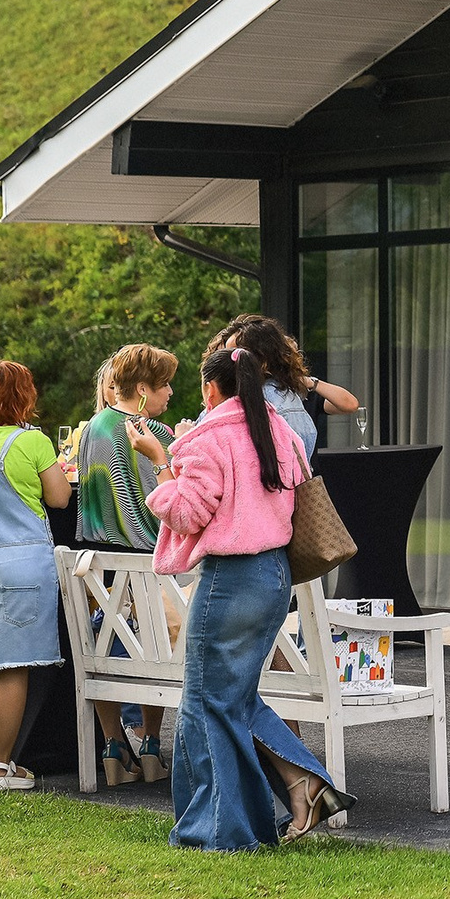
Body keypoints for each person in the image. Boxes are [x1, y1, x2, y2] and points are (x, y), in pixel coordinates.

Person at [134, 346, 349, 847]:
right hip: (275, 577)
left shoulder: (206, 440)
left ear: (211, 389)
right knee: (231, 700)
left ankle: (219, 830)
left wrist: (161, 462)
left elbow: (186, 514)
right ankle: (301, 788)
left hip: (230, 581)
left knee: (205, 704)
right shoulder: (279, 430)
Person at [0, 357, 69, 792]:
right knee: (14, 668)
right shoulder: (31, 443)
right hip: (22, 563)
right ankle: (1, 767)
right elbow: (59, 497)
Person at [73, 342, 179, 785]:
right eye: (165, 384)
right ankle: (151, 745)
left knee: (103, 652)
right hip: (148, 570)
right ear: (141, 389)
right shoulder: (151, 432)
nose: (170, 392)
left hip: (98, 569)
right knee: (158, 648)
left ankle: (114, 746)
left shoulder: (91, 428)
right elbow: (177, 497)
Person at [212, 314, 358, 461]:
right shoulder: (283, 396)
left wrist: (309, 382)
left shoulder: (297, 395)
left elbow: (349, 404)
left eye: (235, 355)